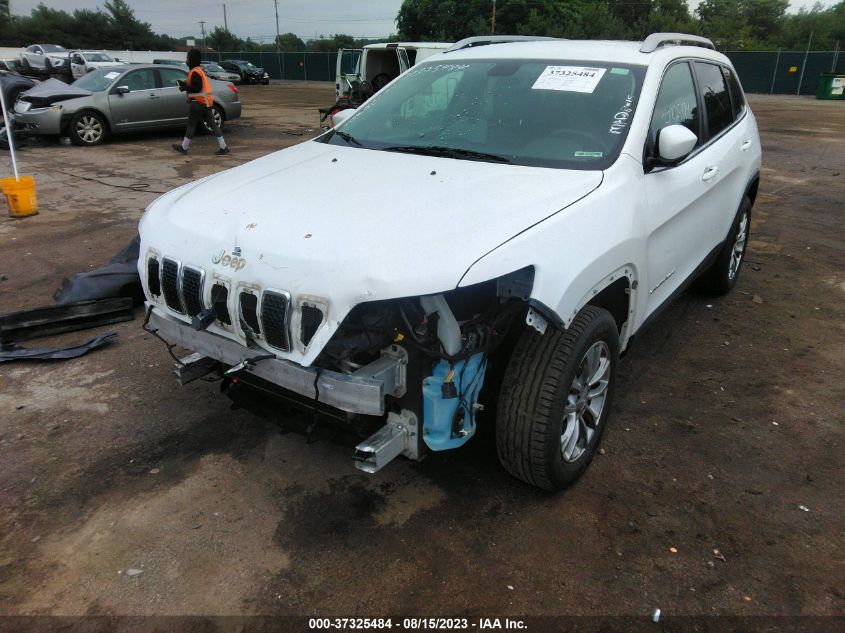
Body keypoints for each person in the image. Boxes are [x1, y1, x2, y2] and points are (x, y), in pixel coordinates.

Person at [172, 49, 229, 156]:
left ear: (191, 60)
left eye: (188, 58)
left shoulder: (195, 72)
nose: (186, 60)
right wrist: (184, 83)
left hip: (198, 103)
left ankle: (184, 147)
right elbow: (196, 84)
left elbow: (196, 87)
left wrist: (184, 87)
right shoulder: (198, 70)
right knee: (212, 124)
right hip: (206, 102)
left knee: (191, 125)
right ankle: (223, 146)